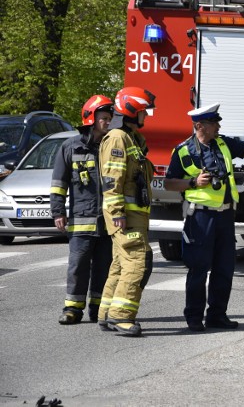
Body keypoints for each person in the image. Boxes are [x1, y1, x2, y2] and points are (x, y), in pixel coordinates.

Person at [164, 103, 244, 332]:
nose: (218, 126)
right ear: (199, 126)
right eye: (214, 122)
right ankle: (194, 317)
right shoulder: (183, 150)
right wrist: (193, 182)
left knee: (224, 268)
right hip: (200, 217)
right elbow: (168, 183)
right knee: (198, 268)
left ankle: (217, 315)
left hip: (225, 215)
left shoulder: (224, 143)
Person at [97, 86, 156, 337]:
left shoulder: (130, 138)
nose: (146, 116)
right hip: (125, 216)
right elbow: (112, 180)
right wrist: (118, 212)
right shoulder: (118, 139)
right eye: (144, 111)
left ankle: (106, 313)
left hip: (132, 215)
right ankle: (122, 317)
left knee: (121, 264)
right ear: (132, 110)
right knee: (136, 263)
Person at [51, 95, 114, 325]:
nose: (107, 122)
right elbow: (59, 182)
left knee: (103, 267)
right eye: (103, 118)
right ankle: (72, 309)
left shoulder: (111, 146)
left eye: (109, 118)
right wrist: (58, 211)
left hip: (107, 220)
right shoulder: (71, 147)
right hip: (81, 219)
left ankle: (98, 308)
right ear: (91, 118)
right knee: (77, 266)